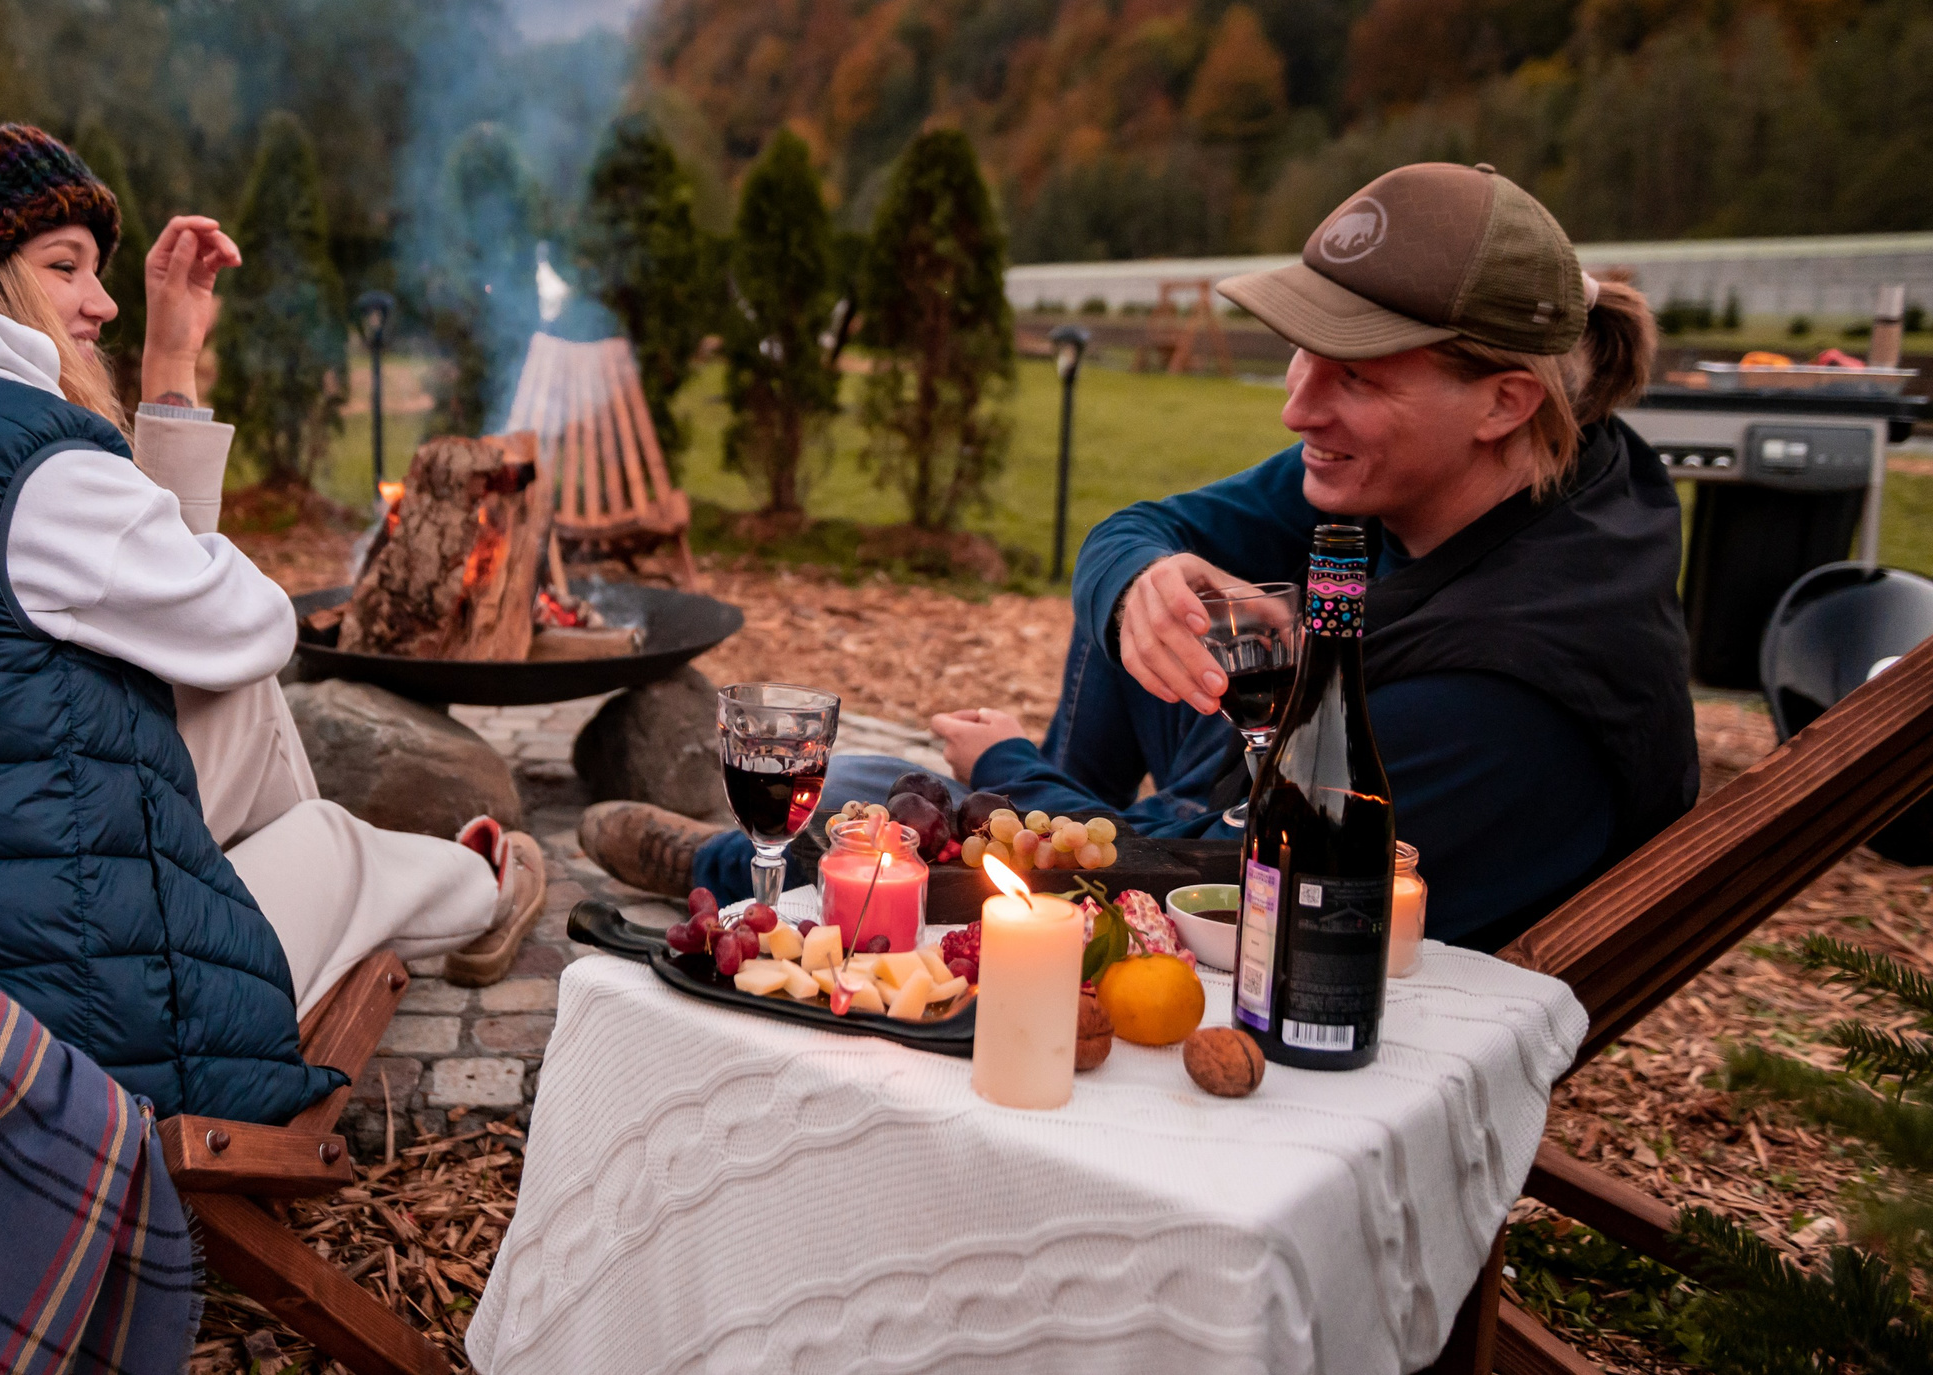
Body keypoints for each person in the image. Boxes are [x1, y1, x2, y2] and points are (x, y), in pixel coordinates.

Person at [584, 161, 1697, 952]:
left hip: (1308, 935)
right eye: (1301, 354)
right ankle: (1025, 820)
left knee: (927, 797)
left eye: (1355, 375)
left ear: (1503, 400)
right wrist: (1135, 587)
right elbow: (1132, 528)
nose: (1295, 406)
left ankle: (724, 866)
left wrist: (1013, 774)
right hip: (1251, 805)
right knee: (1154, 586)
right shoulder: (1494, 463)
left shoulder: (1506, 692)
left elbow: (1207, 884)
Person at [0, 117, 546, 1125]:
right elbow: (248, 620)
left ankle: (283, 888)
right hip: (59, 1031)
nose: (99, 300)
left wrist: (171, 361)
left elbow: (171, 614)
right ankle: (480, 885)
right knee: (329, 834)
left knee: (228, 694)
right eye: (65, 266)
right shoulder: (22, 461)